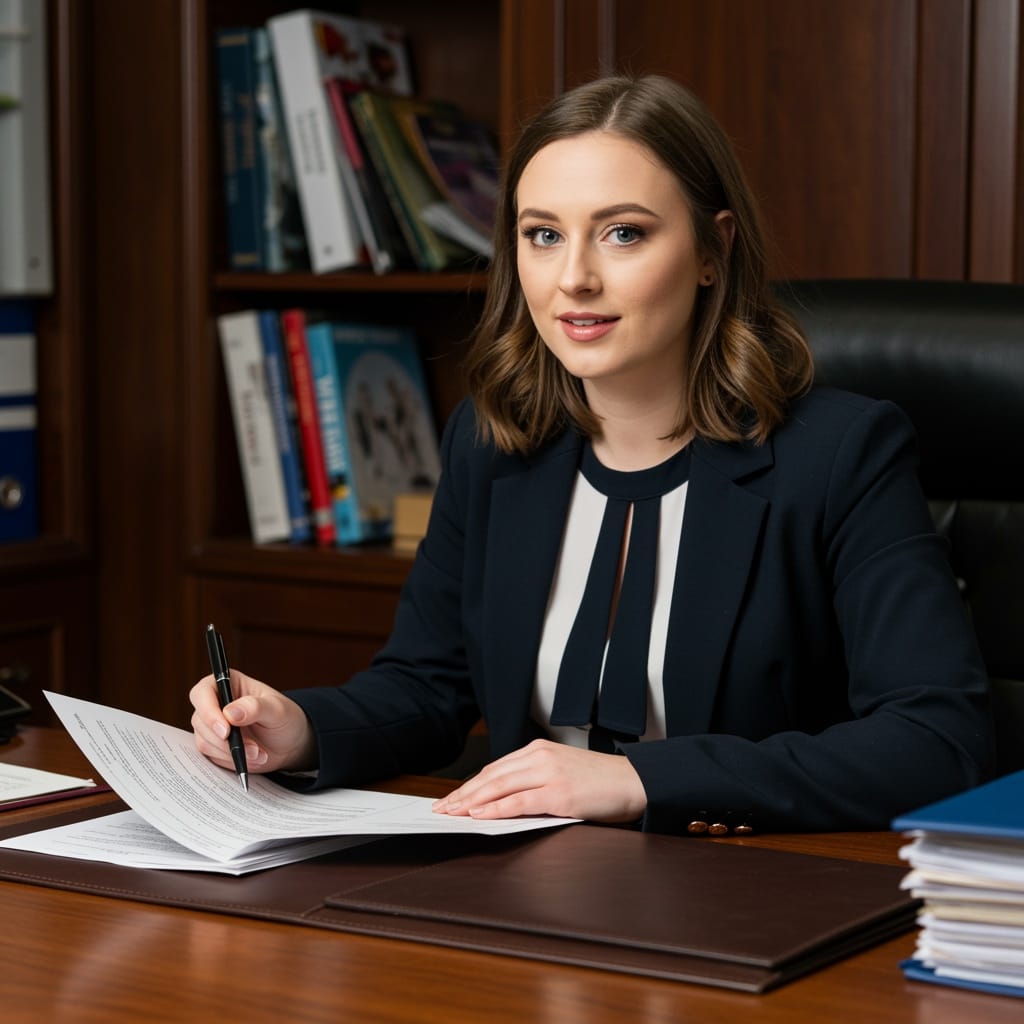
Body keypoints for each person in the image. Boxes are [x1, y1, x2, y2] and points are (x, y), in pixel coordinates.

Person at [191, 74, 994, 835]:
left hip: (745, 895)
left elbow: (938, 740)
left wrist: (644, 780)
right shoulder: (491, 442)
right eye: (543, 235)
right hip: (526, 885)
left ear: (713, 250)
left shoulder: (840, 454)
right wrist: (299, 729)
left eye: (623, 234)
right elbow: (427, 688)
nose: (573, 277)